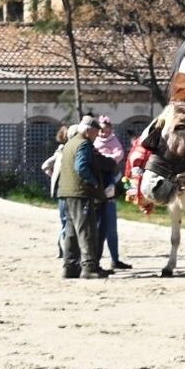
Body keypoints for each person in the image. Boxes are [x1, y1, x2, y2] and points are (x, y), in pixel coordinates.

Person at [56, 115, 111, 279]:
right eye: (95, 132)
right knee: (87, 230)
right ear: (88, 131)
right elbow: (81, 167)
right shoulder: (84, 144)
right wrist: (94, 183)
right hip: (81, 193)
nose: (96, 136)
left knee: (71, 232)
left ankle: (70, 267)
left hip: (66, 192)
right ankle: (89, 267)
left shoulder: (69, 143)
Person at [94, 115, 130, 270]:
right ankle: (94, 260)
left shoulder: (114, 141)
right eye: (100, 129)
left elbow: (118, 155)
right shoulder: (94, 142)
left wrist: (106, 158)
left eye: (105, 129)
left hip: (110, 179)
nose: (103, 132)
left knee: (110, 228)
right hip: (97, 186)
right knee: (96, 227)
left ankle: (115, 258)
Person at [41, 126, 70, 256]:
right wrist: (54, 175)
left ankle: (61, 245)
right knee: (66, 220)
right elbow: (45, 166)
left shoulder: (59, 151)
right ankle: (64, 247)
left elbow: (45, 166)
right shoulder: (63, 151)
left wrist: (52, 175)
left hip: (62, 189)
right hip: (64, 189)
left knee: (65, 220)